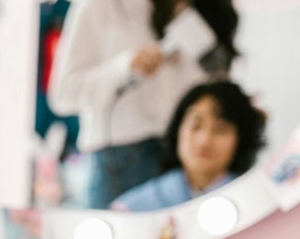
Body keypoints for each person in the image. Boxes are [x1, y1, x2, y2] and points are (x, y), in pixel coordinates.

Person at [48, 0, 238, 209]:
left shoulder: (197, 10)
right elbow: (63, 94)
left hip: (183, 165)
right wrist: (123, 69)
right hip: (118, 161)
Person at [111, 80, 267, 211]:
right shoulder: (132, 210)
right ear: (178, 129)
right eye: (195, 125)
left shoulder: (257, 205)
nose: (204, 140)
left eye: (220, 129)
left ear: (241, 139)